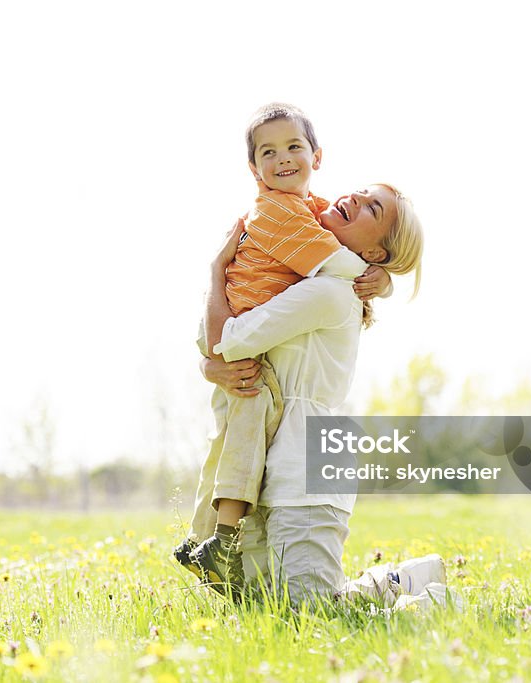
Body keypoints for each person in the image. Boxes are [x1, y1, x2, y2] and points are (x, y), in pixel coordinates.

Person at [175, 104, 421, 597]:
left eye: (372, 209)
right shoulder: (307, 250)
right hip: (278, 455)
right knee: (273, 609)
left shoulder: (330, 288)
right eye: (362, 193)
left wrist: (213, 277)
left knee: (311, 613)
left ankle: (433, 596)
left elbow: (230, 340)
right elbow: (230, 348)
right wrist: (209, 366)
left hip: (302, 461)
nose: (354, 199)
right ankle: (409, 580)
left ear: (375, 254)